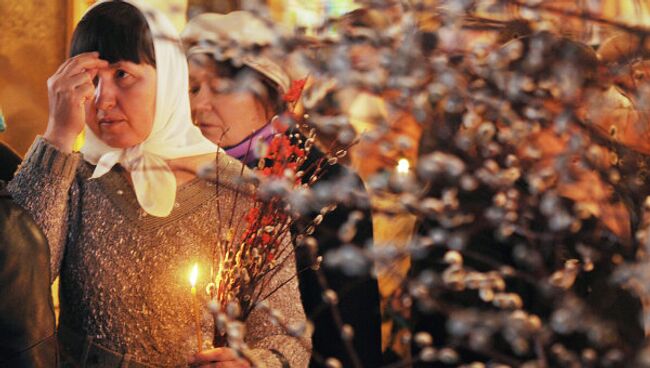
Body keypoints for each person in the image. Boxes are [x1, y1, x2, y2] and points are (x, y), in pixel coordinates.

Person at [8, 1, 310, 367]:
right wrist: (57, 135)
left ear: (166, 78)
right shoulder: (71, 178)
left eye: (122, 75)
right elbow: (16, 287)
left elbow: (286, 335)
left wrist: (253, 362)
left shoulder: (241, 193)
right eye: (92, 78)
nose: (103, 99)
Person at [182, 11, 383, 368]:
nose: (199, 105)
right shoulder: (185, 174)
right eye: (194, 88)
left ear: (272, 93)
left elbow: (349, 336)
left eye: (221, 88)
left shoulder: (327, 188)